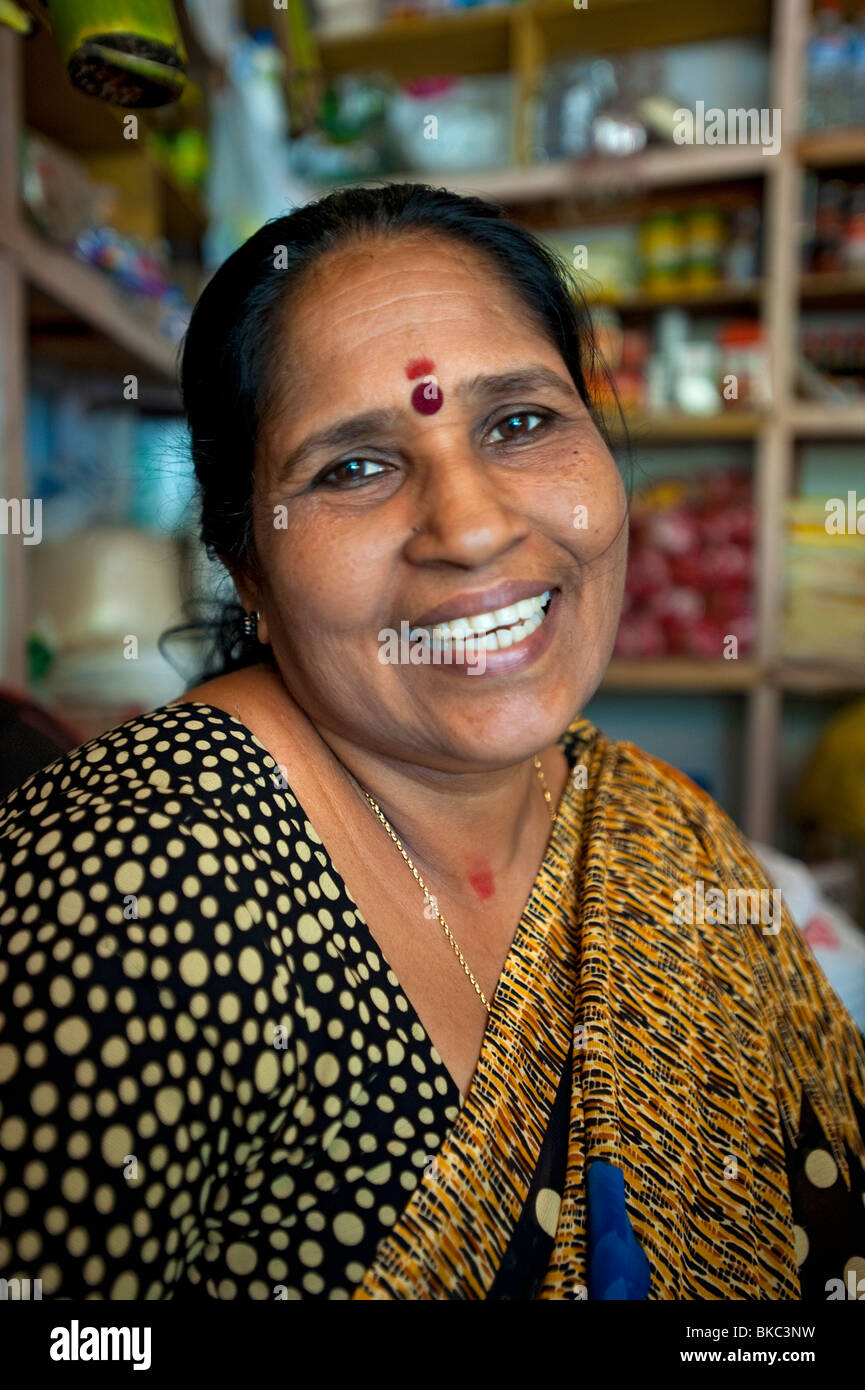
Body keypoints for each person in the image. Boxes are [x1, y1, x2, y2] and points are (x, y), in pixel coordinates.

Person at [1, 184, 863, 1302]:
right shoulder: (129, 891)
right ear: (246, 566)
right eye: (352, 467)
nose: (471, 526)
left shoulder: (658, 826)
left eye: (519, 422)